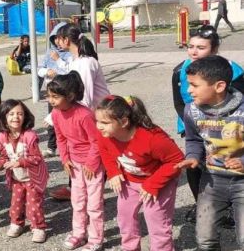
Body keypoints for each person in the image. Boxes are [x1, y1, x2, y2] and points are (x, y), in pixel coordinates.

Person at [171, 24, 244, 223]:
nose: (194, 51)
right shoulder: (180, 71)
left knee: (227, 162)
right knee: (195, 164)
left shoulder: (233, 71)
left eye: (201, 47)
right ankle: (201, 202)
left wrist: (218, 124)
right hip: (193, 122)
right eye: (190, 46)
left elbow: (237, 101)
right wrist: (192, 120)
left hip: (226, 126)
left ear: (214, 50)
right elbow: (178, 101)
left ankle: (231, 206)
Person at [95, 95, 183, 251]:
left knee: (156, 219)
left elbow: (177, 160)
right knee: (125, 216)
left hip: (159, 181)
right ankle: (130, 247)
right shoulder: (106, 135)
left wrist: (152, 184)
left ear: (124, 122)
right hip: (130, 180)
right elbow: (104, 150)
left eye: (105, 122)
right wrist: (113, 172)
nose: (99, 126)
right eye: (97, 121)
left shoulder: (152, 138)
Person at [177, 55, 244, 250]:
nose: (189, 90)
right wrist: (192, 157)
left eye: (194, 85)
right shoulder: (192, 111)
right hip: (212, 182)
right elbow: (194, 140)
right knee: (205, 240)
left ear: (219, 86)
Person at [48, 72, 104, 251]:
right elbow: (60, 138)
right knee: (78, 201)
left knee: (94, 204)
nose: (51, 100)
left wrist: (91, 163)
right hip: (75, 165)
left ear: (70, 96)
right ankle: (79, 233)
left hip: (92, 165)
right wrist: (65, 158)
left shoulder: (85, 114)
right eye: (49, 96)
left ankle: (96, 238)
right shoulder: (56, 114)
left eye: (55, 97)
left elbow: (97, 141)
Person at [0, 100, 48, 243]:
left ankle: (38, 227)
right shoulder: (2, 136)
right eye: (11, 114)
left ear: (25, 116)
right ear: (3, 117)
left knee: (34, 204)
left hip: (33, 177)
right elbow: (4, 157)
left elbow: (36, 158)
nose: (16, 117)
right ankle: (17, 223)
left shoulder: (30, 135)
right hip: (16, 178)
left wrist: (19, 162)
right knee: (16, 202)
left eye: (20, 113)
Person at [54, 23, 110, 110]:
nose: (57, 42)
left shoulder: (85, 62)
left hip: (101, 112)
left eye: (59, 38)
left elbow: (85, 96)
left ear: (66, 40)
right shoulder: (74, 60)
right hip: (93, 110)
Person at [37, 22, 72, 158]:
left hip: (66, 91)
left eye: (60, 38)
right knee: (52, 118)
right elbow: (39, 69)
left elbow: (69, 71)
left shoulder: (70, 53)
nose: (57, 41)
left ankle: (69, 145)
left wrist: (57, 61)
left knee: (67, 118)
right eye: (55, 38)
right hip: (52, 91)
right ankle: (52, 147)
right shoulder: (49, 52)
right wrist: (47, 71)